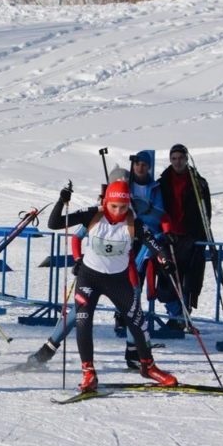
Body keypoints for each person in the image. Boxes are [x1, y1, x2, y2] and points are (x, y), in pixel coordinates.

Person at [26, 152, 172, 370]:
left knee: (134, 311)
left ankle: (134, 354)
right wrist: (77, 259)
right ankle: (47, 350)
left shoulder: (132, 208)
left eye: (124, 182)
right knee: (78, 312)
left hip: (125, 269)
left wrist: (162, 245)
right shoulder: (100, 211)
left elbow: (156, 220)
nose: (121, 186)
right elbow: (76, 236)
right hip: (94, 271)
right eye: (117, 182)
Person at [47, 179, 178, 392]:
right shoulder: (93, 214)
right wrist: (62, 200)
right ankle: (88, 372)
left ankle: (148, 366)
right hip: (89, 278)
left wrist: (165, 260)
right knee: (83, 320)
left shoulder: (134, 223)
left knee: (137, 320)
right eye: (114, 206)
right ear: (106, 202)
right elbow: (53, 224)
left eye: (123, 207)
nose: (118, 211)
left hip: (118, 281)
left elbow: (154, 244)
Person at [156, 143, 211, 328]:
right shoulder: (162, 181)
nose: (177, 162)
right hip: (169, 236)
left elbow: (206, 213)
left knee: (190, 278)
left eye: (181, 158)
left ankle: (183, 316)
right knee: (167, 275)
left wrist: (203, 236)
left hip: (191, 236)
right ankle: (175, 314)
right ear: (170, 160)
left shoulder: (198, 182)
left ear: (186, 159)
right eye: (174, 158)